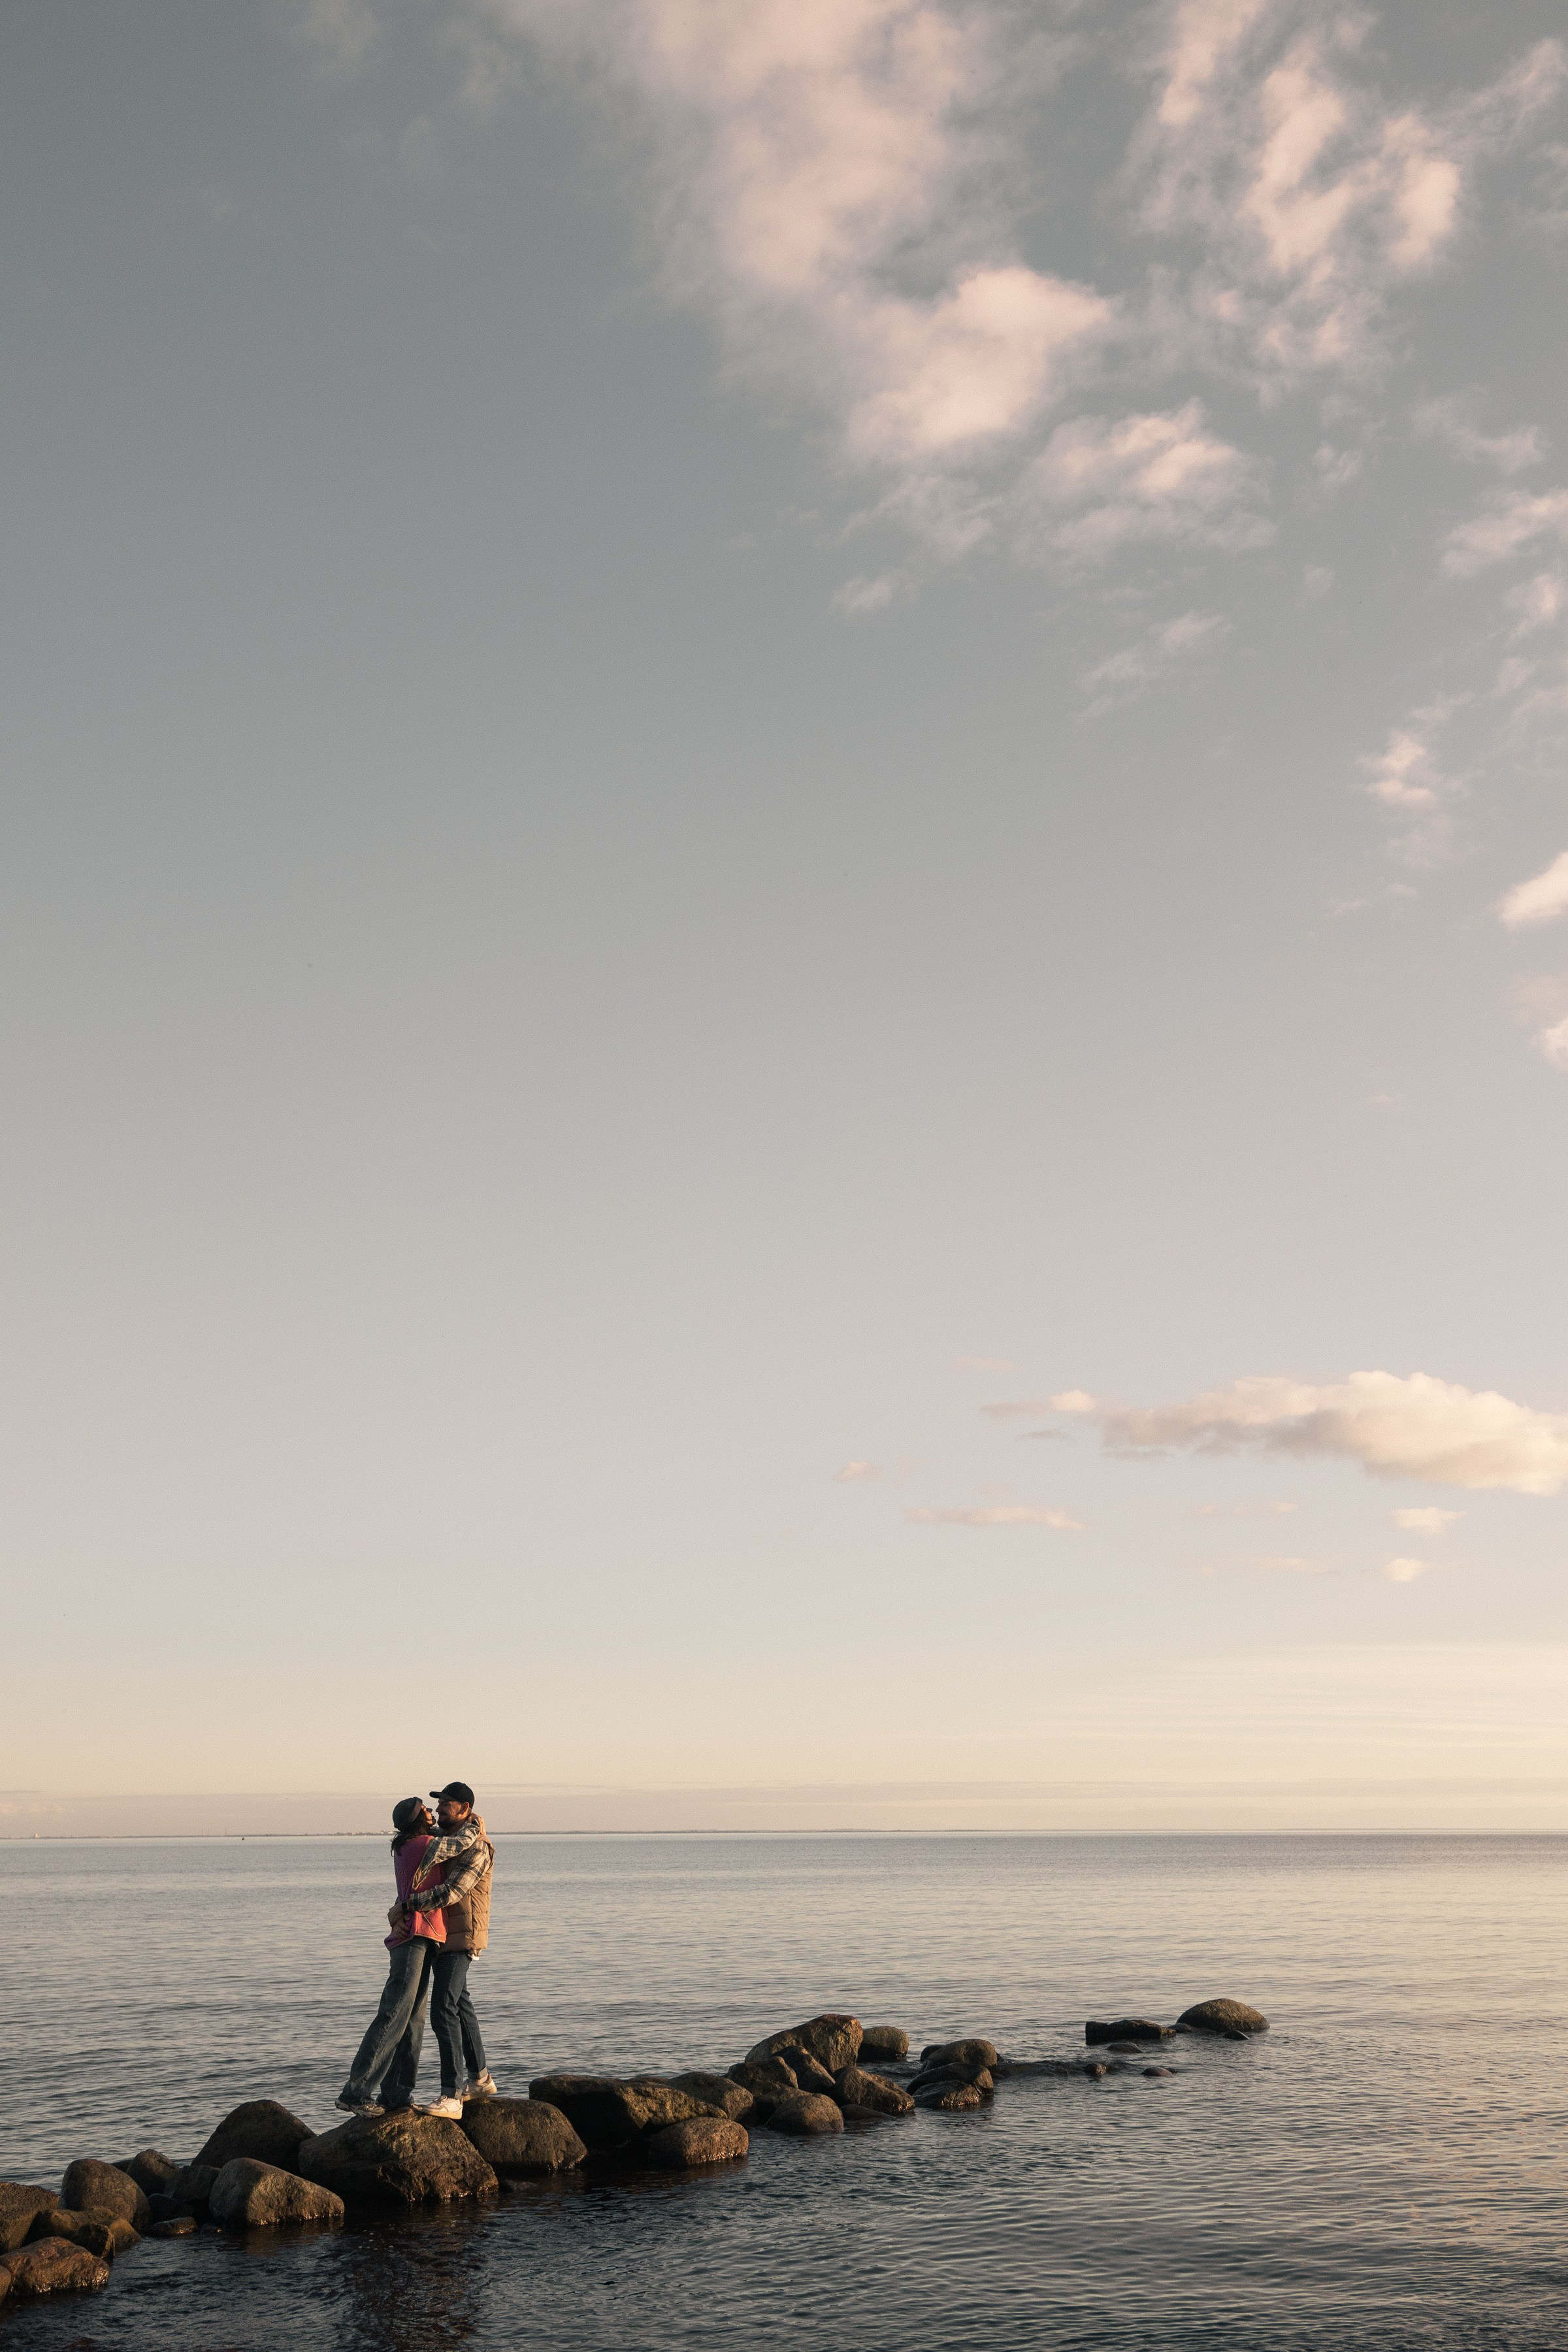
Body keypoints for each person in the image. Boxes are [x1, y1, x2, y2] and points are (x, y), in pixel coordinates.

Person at [335, 1795, 485, 2117]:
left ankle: (397, 2094)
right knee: (395, 2013)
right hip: (413, 1936)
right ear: (420, 1818)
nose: (433, 1812)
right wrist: (474, 1824)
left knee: (413, 2018)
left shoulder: (410, 1844)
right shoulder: (422, 1845)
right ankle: (356, 2092)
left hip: (425, 1935)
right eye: (427, 1809)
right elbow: (459, 1844)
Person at [394, 1780, 497, 2119]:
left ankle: (451, 2095)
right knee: (460, 2005)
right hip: (443, 1934)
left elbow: (451, 1892)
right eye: (437, 1805)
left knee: (443, 2009)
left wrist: (407, 1906)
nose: (438, 1810)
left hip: (462, 1936)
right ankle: (480, 2078)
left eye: (446, 1805)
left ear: (464, 1809)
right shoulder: (448, 1841)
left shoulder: (477, 1847)